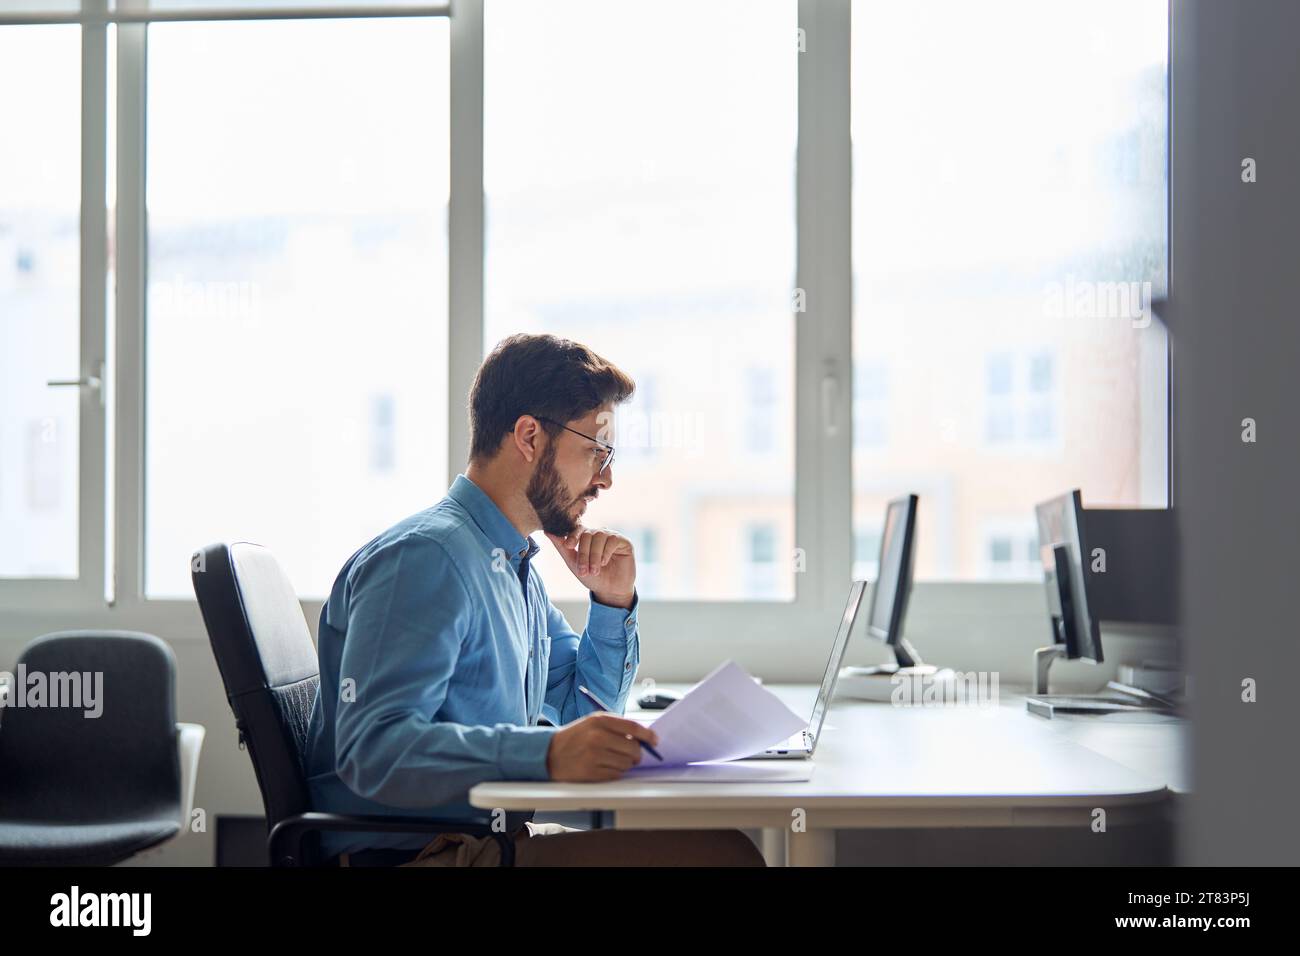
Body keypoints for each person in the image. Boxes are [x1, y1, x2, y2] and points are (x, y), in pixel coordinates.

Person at [304, 332, 764, 866]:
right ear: (529, 436)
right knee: (724, 856)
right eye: (596, 452)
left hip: (485, 841)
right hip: (419, 857)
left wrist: (612, 603)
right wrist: (546, 753)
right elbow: (373, 751)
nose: (606, 479)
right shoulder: (427, 558)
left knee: (721, 848)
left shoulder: (510, 563)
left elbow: (581, 711)